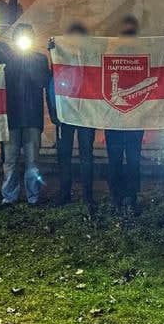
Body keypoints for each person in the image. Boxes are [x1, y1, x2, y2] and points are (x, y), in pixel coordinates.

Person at [0, 24, 50, 205]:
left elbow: (43, 81)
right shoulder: (6, 60)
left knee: (32, 161)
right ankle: (9, 197)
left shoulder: (39, 59)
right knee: (9, 160)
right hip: (11, 117)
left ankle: (33, 197)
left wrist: (30, 63)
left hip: (32, 117)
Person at [47, 22, 97, 213]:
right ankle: (64, 192)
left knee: (86, 155)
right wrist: (54, 111)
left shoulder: (91, 58)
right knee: (64, 155)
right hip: (65, 113)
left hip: (86, 114)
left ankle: (87, 195)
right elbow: (52, 84)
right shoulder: (60, 57)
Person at [104, 15, 145, 215]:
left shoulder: (141, 56)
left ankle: (125, 197)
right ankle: (121, 197)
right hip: (118, 118)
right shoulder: (110, 56)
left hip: (130, 118)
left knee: (128, 159)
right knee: (120, 159)